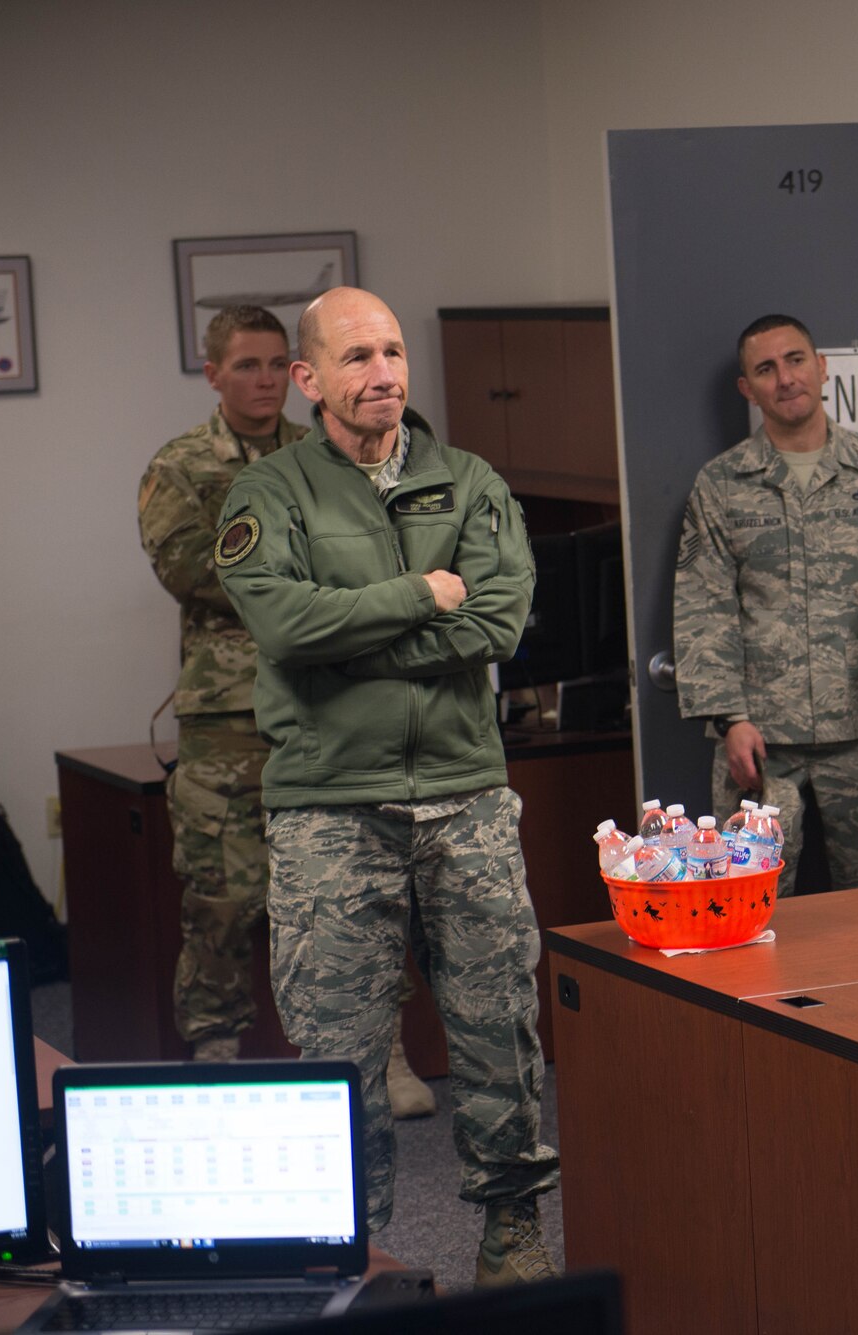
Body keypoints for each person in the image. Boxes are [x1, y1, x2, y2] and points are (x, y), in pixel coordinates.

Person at [214, 288, 559, 1286]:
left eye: (394, 351)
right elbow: (283, 628)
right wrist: (417, 595)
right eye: (357, 356)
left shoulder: (470, 482)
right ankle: (350, 1258)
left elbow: (495, 627)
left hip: (466, 797)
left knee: (499, 1031)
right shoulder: (269, 495)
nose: (384, 372)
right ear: (308, 379)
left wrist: (351, 640)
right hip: (329, 807)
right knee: (336, 1055)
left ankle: (510, 1237)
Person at [137, 306, 435, 1121]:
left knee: (361, 886)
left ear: (300, 372)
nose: (264, 381)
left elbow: (388, 548)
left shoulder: (333, 453)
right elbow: (202, 574)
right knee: (223, 899)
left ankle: (389, 1056)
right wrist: (324, 579)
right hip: (230, 716)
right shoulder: (183, 466)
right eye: (246, 366)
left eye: (276, 364)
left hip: (332, 699)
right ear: (215, 374)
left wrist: (319, 583)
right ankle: (218, 1061)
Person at [674, 314, 858, 893]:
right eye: (765, 369)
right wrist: (730, 719)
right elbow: (704, 608)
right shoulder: (722, 483)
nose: (785, 378)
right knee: (745, 900)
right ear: (747, 388)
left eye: (796, 361)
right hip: (761, 743)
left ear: (822, 369)